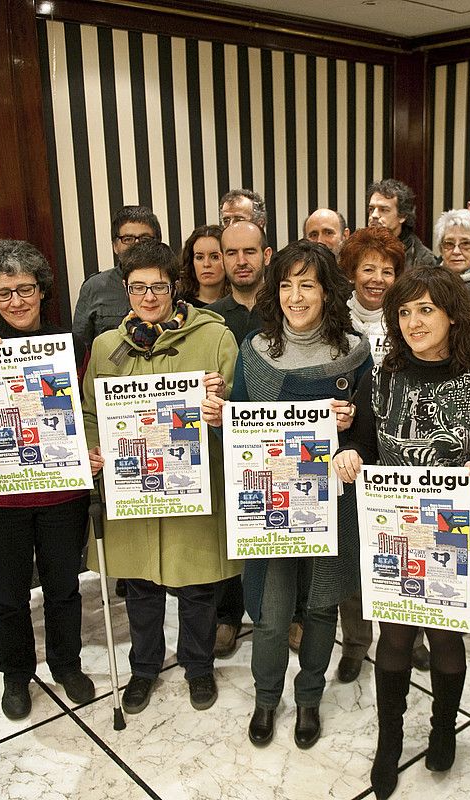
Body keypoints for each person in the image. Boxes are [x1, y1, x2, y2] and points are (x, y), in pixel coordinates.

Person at [333, 266, 470, 798]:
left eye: (426, 310)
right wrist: (347, 456)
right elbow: (361, 441)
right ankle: (389, 742)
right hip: (394, 533)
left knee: (448, 641)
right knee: (394, 639)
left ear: (452, 315)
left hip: (454, 538)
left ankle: (442, 728)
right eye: (404, 312)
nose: (413, 322)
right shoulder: (380, 377)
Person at [202, 240, 371, 749]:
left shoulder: (355, 351)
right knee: (272, 617)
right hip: (272, 507)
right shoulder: (256, 350)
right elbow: (242, 438)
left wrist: (354, 424)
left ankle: (310, 700)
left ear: (326, 292)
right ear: (276, 292)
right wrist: (217, 421)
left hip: (332, 507)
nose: (297, 296)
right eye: (287, 285)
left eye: (308, 285)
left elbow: (371, 432)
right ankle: (265, 698)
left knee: (321, 608)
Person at [0, 240, 97, 721]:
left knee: (64, 586)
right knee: (7, 595)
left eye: (24, 288)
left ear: (41, 289)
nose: (16, 301)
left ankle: (67, 663)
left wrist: (92, 450)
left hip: (61, 490)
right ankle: (16, 675)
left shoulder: (69, 344)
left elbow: (87, 412)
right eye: (3, 293)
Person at [82, 240, 240, 714]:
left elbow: (239, 408)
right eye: (137, 287)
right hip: (135, 485)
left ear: (175, 287)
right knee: (141, 587)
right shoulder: (108, 346)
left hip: (194, 485)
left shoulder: (215, 338)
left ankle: (198, 666)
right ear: (125, 289)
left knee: (197, 586)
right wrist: (92, 448)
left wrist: (220, 409)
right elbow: (91, 411)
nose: (148, 297)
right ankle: (144, 669)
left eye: (158, 287)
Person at [334, 225, 406, 683]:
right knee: (354, 551)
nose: (377, 278)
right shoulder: (333, 319)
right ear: (351, 273)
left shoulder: (412, 318)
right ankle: (356, 642)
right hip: (349, 448)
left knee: (402, 545)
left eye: (387, 270)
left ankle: (408, 636)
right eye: (368, 269)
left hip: (401, 451)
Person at [207, 219, 273, 658]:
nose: (240, 261)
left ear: (266, 255)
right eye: (231, 253)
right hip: (222, 443)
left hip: (279, 443)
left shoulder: (287, 305)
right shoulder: (210, 319)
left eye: (249, 251)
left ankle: (294, 615)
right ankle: (228, 616)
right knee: (229, 530)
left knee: (287, 524)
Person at [73, 205, 163, 351]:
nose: (137, 244)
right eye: (128, 239)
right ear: (115, 246)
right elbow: (81, 349)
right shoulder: (94, 287)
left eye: (145, 238)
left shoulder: (173, 283)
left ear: (158, 242)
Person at [366, 178, 436, 270]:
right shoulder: (356, 247)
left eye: (383, 210)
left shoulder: (422, 259)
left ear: (402, 216)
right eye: (371, 209)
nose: (374, 215)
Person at [176, 224, 229, 307]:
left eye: (215, 257)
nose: (206, 264)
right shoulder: (179, 304)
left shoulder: (238, 303)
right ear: (191, 262)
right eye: (199, 257)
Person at [432, 208, 470, 284]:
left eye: (465, 244)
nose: (456, 252)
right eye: (449, 244)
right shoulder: (428, 285)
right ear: (441, 250)